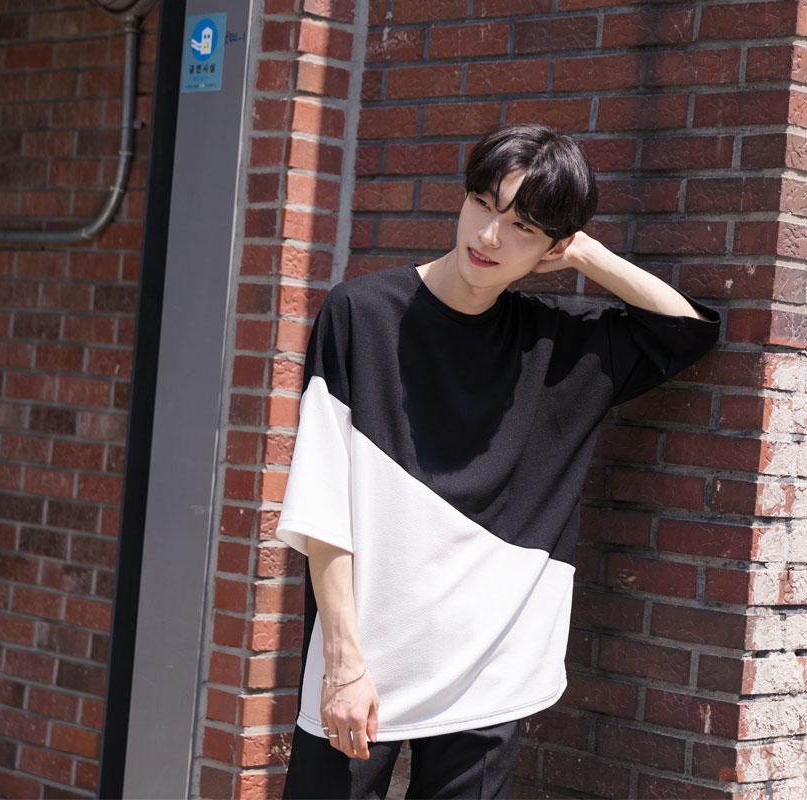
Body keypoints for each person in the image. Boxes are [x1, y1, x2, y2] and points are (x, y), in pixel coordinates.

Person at [274, 122, 720, 799]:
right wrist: (342, 661)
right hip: (362, 658)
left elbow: (686, 331)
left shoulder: (554, 347)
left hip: (489, 668)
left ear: (552, 246)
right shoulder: (361, 315)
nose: (487, 236)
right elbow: (322, 503)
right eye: (482, 204)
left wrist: (584, 253)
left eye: (521, 227)